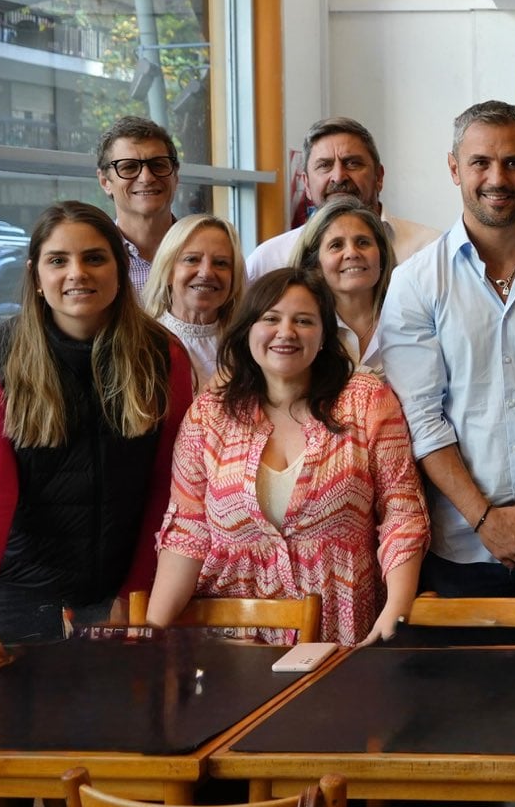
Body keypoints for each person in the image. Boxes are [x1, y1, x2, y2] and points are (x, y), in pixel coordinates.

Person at [0, 201, 193, 680]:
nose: (78, 273)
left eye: (95, 258)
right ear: (36, 275)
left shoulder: (163, 355)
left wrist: (135, 592)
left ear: (120, 271)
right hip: (15, 596)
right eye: (59, 260)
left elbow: (167, 486)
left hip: (117, 591)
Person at [377, 100, 515, 602]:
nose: (496, 178)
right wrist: (484, 519)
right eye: (480, 162)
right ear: (454, 167)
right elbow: (421, 417)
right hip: (459, 550)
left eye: (513, 162)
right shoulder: (415, 283)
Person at [146, 269, 429, 646]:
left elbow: (401, 512)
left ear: (325, 335)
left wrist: (396, 610)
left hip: (343, 634)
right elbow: (188, 531)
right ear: (247, 329)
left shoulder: (366, 400)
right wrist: (150, 637)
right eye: (271, 319)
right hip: (232, 642)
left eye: (304, 321)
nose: (286, 332)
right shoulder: (208, 415)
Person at [248, 117, 439, 278]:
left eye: (353, 163)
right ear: (306, 184)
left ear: (379, 177)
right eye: (324, 165)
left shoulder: (431, 250)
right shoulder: (270, 260)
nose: (338, 176)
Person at [292, 196, 396, 369]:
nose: (352, 253)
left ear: (382, 256)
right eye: (336, 245)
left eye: (363, 242)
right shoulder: (299, 330)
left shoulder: (411, 319)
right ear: (315, 264)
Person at [144, 215, 244, 385]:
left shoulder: (247, 345)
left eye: (220, 263)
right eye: (192, 259)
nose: (206, 273)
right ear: (168, 271)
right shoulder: (142, 343)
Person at [94, 115, 181, 294]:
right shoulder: (91, 261)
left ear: (175, 176)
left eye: (158, 164)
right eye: (129, 167)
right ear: (105, 182)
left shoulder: (210, 256)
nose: (147, 177)